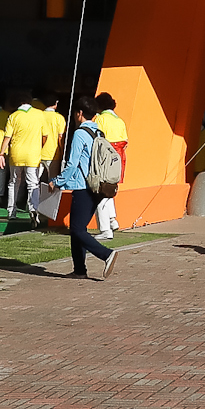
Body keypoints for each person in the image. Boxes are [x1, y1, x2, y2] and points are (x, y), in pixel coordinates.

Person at [54, 98, 116, 279]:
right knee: (78, 229)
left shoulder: (80, 133)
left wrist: (57, 181)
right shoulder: (99, 132)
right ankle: (79, 269)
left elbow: (73, 164)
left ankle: (106, 254)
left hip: (83, 186)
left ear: (79, 113)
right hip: (98, 186)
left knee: (77, 230)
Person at [0, 97, 49, 222]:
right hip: (33, 155)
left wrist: (1, 154)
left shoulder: (13, 116)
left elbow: (7, 137)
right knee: (33, 183)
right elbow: (45, 136)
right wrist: (38, 146)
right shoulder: (40, 114)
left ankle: (11, 210)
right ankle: (34, 208)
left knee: (14, 183)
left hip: (16, 154)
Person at [92, 93, 129, 240]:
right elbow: (125, 141)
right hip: (118, 160)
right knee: (110, 190)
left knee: (100, 194)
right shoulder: (120, 121)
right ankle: (113, 220)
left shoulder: (100, 119)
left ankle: (105, 229)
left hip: (105, 160)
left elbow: (97, 140)